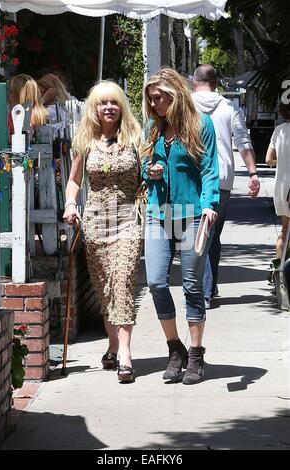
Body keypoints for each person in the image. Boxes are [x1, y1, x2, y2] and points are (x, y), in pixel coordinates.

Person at [141, 68, 219, 384]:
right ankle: (175, 349)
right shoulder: (153, 127)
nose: (155, 103)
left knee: (191, 284)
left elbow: (210, 170)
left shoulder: (202, 125)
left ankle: (196, 355)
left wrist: (208, 206)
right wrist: (151, 172)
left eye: (160, 97)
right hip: (158, 214)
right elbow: (145, 169)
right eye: (151, 99)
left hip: (192, 215)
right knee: (157, 282)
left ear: (176, 94)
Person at [63, 80, 142, 383]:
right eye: (102, 103)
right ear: (94, 108)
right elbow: (74, 180)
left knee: (122, 281)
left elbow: (148, 172)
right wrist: (71, 203)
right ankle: (112, 345)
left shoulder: (135, 139)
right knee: (105, 289)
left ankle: (125, 354)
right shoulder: (84, 142)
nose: (109, 107)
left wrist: (154, 172)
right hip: (95, 224)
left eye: (114, 102)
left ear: (121, 106)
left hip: (127, 220)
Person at [192, 64, 260, 307]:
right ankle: (210, 286)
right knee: (213, 234)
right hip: (222, 179)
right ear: (216, 83)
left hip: (193, 177)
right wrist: (253, 173)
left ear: (193, 81)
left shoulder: (185, 105)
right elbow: (243, 140)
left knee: (198, 234)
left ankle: (205, 291)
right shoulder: (229, 107)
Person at [266, 101, 290, 260]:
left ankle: (280, 271)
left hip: (281, 186)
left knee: (285, 229)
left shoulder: (279, 130)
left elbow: (268, 159)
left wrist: (281, 162)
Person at [7, 73, 48, 137]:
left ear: (19, 96)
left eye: (11, 92)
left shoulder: (18, 116)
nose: (8, 96)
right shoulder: (42, 113)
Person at [37, 73, 70, 139]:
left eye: (41, 92)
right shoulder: (61, 107)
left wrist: (43, 100)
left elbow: (32, 117)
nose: (38, 96)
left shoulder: (52, 110)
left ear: (52, 92)